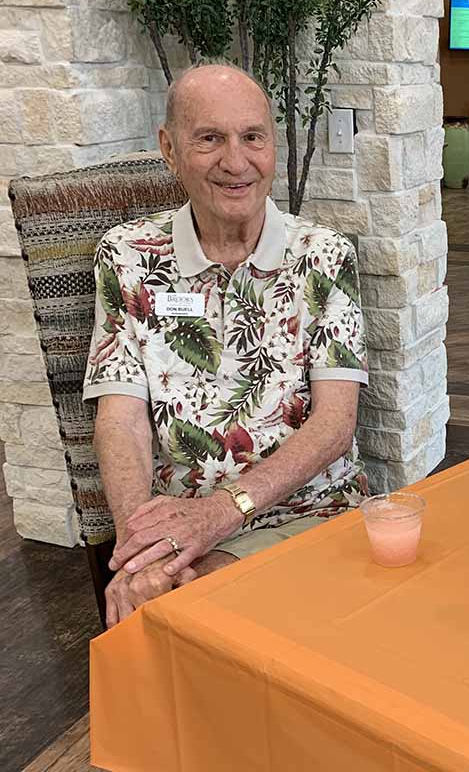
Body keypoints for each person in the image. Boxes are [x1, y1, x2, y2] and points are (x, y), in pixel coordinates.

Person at [84, 63, 369, 627]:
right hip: (180, 524)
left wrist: (222, 513)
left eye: (253, 138)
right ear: (169, 149)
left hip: (309, 513)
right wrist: (145, 548)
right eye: (210, 139)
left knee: (198, 615)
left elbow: (335, 426)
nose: (236, 162)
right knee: (163, 606)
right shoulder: (128, 256)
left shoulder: (322, 256)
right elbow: (120, 422)